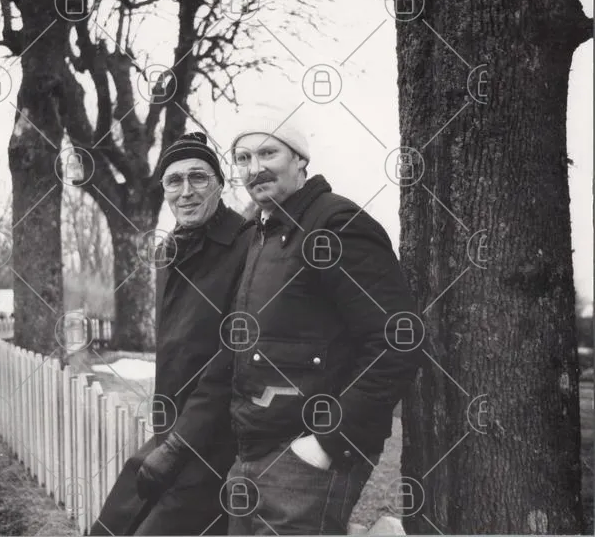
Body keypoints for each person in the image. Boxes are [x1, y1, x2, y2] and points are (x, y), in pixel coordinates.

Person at [151, 116, 427, 535]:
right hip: (252, 455)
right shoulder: (263, 233)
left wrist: (326, 443)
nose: (255, 168)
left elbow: (398, 341)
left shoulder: (336, 224)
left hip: (307, 460)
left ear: (300, 159)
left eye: (268, 153)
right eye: (243, 158)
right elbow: (237, 349)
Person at [89, 132, 255, 536]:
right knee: (109, 526)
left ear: (220, 184)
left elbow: (233, 360)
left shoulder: (248, 245)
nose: (186, 191)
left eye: (198, 177)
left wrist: (180, 445)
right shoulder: (168, 252)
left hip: (217, 442)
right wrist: (169, 437)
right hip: (171, 434)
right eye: (174, 180)